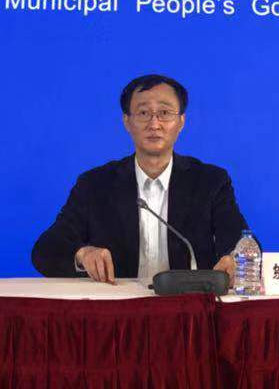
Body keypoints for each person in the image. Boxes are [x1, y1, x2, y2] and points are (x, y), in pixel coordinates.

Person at [32, 73, 250, 284]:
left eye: (165, 113)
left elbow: (243, 242)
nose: (154, 124)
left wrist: (233, 259)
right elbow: (45, 250)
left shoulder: (210, 182)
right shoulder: (95, 184)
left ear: (181, 121)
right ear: (127, 121)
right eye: (143, 113)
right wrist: (83, 253)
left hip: (188, 301)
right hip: (117, 303)